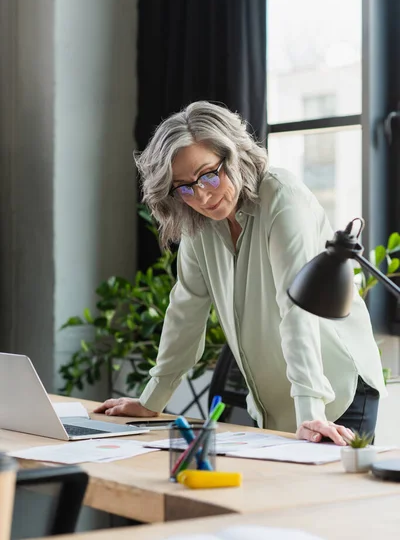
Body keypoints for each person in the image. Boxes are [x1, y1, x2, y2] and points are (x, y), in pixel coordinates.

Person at [95, 101, 386, 445]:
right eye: (184, 187)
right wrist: (151, 402)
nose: (202, 195)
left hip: (336, 393)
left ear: (231, 155)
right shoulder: (198, 225)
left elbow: (296, 310)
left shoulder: (281, 198)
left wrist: (310, 412)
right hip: (274, 405)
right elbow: (185, 312)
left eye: (208, 174)